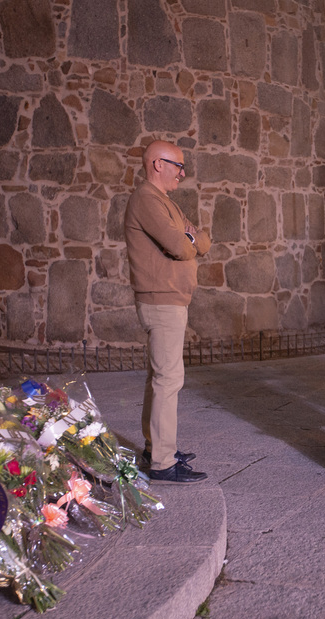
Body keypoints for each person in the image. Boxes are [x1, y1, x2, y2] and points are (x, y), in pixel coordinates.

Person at [125, 140, 211, 483]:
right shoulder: (146, 199)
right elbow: (180, 245)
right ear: (157, 164)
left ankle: (154, 447)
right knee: (168, 379)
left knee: (160, 376)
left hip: (171, 299)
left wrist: (190, 239)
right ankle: (162, 461)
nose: (183, 172)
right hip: (161, 300)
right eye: (178, 165)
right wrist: (187, 240)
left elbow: (202, 241)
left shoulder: (165, 202)